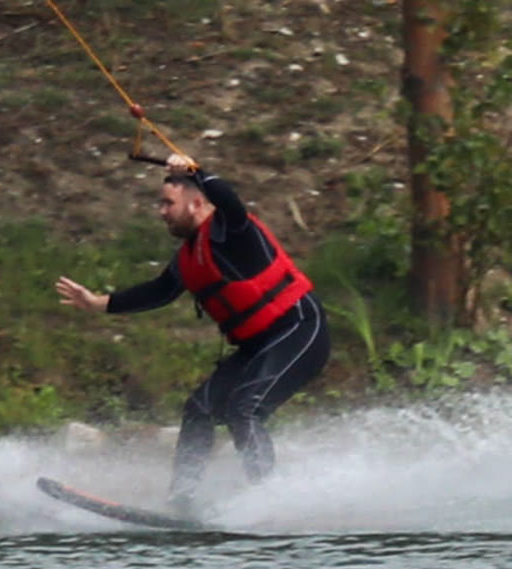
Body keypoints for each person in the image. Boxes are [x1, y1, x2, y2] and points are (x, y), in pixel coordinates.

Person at [54, 153, 330, 514]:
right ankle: (181, 500)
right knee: (199, 408)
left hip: (299, 329)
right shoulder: (188, 258)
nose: (161, 212)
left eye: (168, 203)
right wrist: (97, 303)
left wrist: (197, 170)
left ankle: (270, 500)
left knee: (244, 409)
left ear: (197, 203)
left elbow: (230, 201)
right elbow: (158, 292)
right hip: (257, 344)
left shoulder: (233, 231)